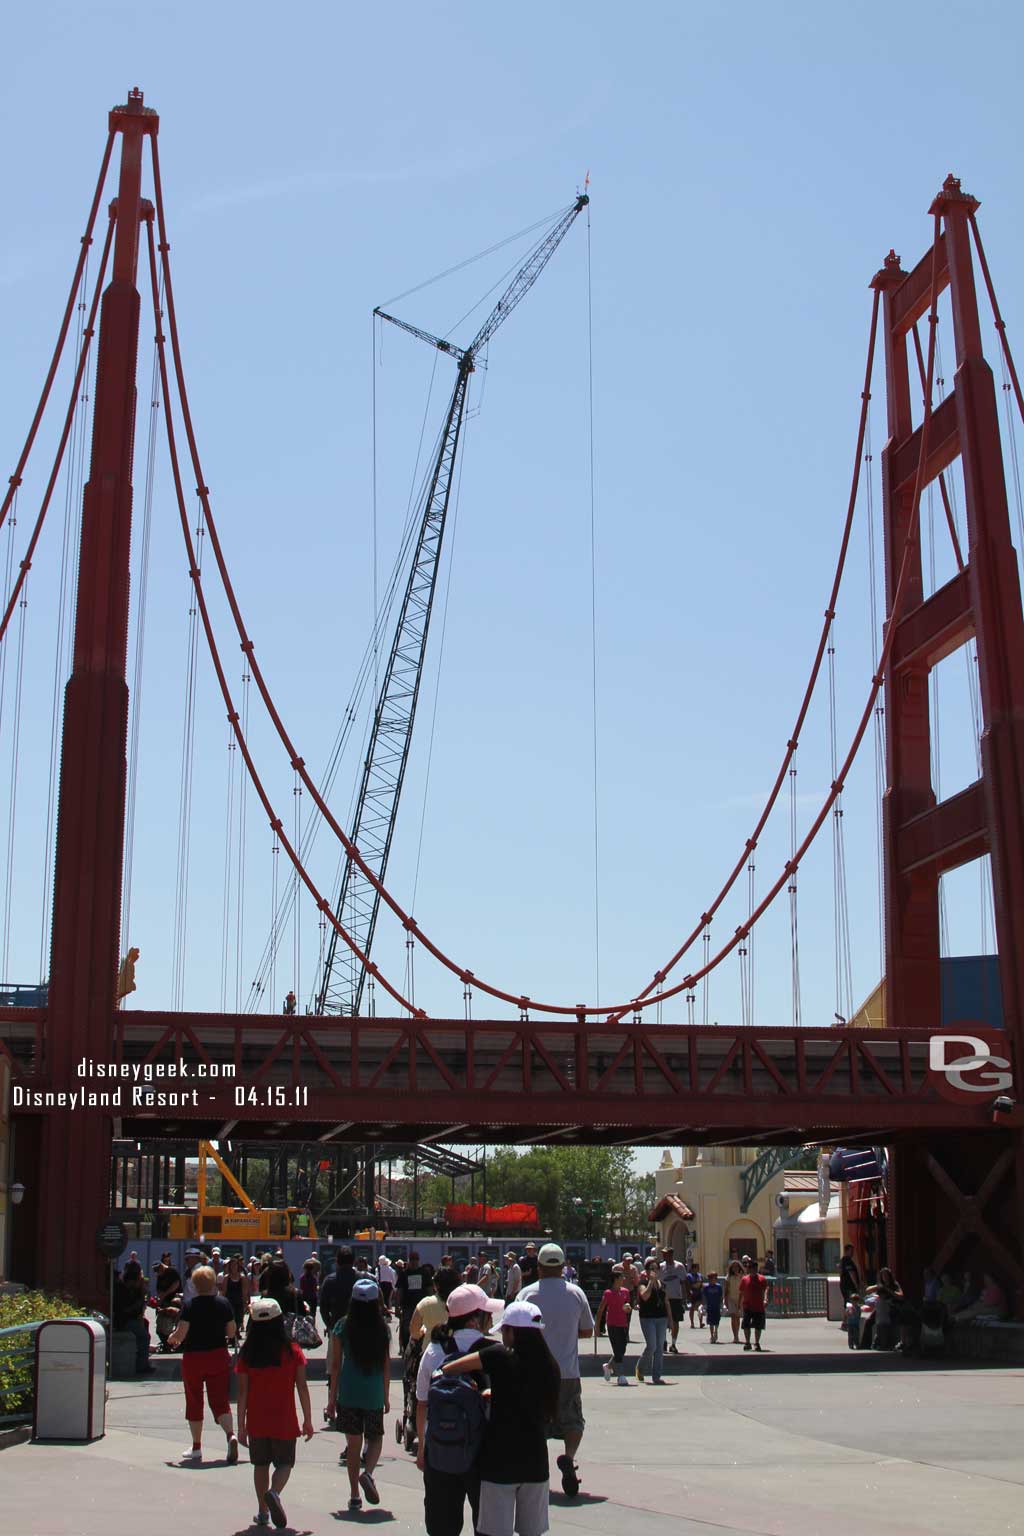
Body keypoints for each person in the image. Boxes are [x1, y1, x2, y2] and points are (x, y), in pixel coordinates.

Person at [442, 1297, 560, 1536]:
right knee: (532, 1533)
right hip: (535, 1462)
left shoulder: (498, 1355)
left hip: (499, 1461)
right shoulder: (550, 1366)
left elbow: (450, 1368)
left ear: (513, 1332)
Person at [415, 1282, 504, 1535]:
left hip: (441, 1448)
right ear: (475, 1320)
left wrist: (422, 1449)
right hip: (483, 1453)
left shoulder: (433, 1350)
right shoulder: (494, 1352)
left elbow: (422, 1403)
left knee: (442, 1526)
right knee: (486, 1526)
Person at [519, 1242, 594, 1499]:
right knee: (573, 1420)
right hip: (567, 1371)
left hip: (533, 1372)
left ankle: (537, 1471)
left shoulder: (527, 1295)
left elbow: (513, 1331)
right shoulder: (575, 1293)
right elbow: (587, 1330)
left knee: (535, 1422)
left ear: (538, 1267)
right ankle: (568, 1457)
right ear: (563, 1267)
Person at [236, 1295, 314, 1529]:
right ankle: (275, 1492)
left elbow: (242, 1394)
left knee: (260, 1465)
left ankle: (262, 1512)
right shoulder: (292, 1351)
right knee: (284, 1463)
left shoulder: (247, 1354)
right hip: (285, 1419)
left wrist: (241, 1426)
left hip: (257, 1420)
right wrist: (308, 1420)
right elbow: (302, 1386)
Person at [328, 1276, 391, 1512]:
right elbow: (386, 1365)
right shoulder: (382, 1328)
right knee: (375, 1437)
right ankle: (369, 1473)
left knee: (353, 1445)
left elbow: (335, 1365)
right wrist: (385, 1395)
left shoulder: (342, 1326)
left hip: (349, 1391)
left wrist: (331, 1399)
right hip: (373, 1390)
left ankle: (354, 1495)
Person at [167, 1264, 239, 1464]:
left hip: (194, 1358)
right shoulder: (224, 1304)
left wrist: (172, 1338)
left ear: (195, 1286)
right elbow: (231, 1332)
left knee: (194, 1400)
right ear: (214, 1283)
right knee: (220, 1401)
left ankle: (197, 1447)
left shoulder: (190, 1306)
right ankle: (230, 1435)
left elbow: (181, 1334)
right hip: (218, 1355)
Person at [113, 1260, 154, 1374]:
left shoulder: (132, 1289)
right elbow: (126, 1310)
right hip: (124, 1320)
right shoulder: (122, 1290)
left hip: (130, 1318)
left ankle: (142, 1361)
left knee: (145, 1326)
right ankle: (142, 1365)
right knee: (144, 1337)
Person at [595, 1264, 632, 1385]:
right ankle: (620, 1376)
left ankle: (608, 1365)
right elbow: (601, 1309)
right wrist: (597, 1327)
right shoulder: (608, 1293)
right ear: (616, 1279)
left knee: (622, 1349)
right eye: (621, 1278)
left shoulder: (626, 1292)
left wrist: (628, 1308)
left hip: (623, 1324)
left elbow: (627, 1306)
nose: (623, 1280)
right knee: (617, 1349)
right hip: (612, 1324)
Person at [635, 1258, 669, 1383]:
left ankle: (657, 1376)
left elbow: (666, 1302)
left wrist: (670, 1319)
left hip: (661, 1318)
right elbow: (645, 1296)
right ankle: (640, 1367)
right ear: (647, 1271)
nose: (655, 1271)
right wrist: (651, 1282)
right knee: (652, 1346)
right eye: (652, 1269)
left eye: (656, 1269)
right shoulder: (643, 1283)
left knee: (660, 1347)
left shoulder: (662, 1284)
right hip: (647, 1318)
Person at [397, 1250, 434, 1350]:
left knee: (423, 1327)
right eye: (412, 1259)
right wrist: (397, 1306)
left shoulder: (424, 1272)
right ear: (409, 1260)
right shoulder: (404, 1274)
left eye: (415, 1259)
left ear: (418, 1260)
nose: (414, 1261)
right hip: (407, 1306)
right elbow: (399, 1290)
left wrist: (431, 1302)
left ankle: (421, 1347)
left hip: (422, 1305)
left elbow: (430, 1288)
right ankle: (406, 1347)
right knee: (406, 1328)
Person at [739, 1255, 768, 1352]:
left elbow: (766, 1289)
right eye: (750, 1267)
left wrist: (765, 1299)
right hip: (747, 1305)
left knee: (758, 1326)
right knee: (746, 1325)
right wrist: (740, 1304)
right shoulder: (744, 1279)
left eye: (753, 1267)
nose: (752, 1269)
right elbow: (741, 1292)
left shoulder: (762, 1279)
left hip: (758, 1306)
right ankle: (747, 1342)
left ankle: (756, 1343)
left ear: (756, 1268)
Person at [659, 1247, 685, 1354]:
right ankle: (663, 1341)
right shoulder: (661, 1267)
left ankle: (673, 1343)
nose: (664, 1256)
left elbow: (683, 1282)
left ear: (671, 1254)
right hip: (664, 1297)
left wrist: (684, 1297)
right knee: (663, 1321)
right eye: (663, 1254)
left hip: (676, 1297)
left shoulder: (679, 1266)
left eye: (666, 1254)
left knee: (675, 1321)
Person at [220, 1254, 250, 1344]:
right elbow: (224, 1291)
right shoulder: (226, 1278)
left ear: (238, 1266)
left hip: (239, 1301)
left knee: (238, 1320)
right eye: (231, 1265)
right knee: (231, 1319)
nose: (233, 1267)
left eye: (235, 1265)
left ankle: (235, 1335)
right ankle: (232, 1337)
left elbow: (244, 1292)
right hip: (229, 1302)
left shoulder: (242, 1277)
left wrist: (245, 1303)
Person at [724, 1260, 744, 1344]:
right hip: (731, 1298)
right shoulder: (728, 1277)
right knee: (733, 1317)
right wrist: (725, 1300)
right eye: (733, 1267)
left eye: (737, 1267)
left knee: (738, 1317)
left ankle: (737, 1334)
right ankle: (735, 1336)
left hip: (740, 1298)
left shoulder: (742, 1277)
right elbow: (726, 1289)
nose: (735, 1268)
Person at [704, 1269, 724, 1344]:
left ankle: (716, 1331)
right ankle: (712, 1335)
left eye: (715, 1278)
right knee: (711, 1322)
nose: (714, 1280)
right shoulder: (706, 1288)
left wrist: (722, 1305)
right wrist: (704, 1306)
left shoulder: (719, 1287)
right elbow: (704, 1297)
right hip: (710, 1307)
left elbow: (721, 1296)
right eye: (712, 1278)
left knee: (717, 1320)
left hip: (717, 1306)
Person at [686, 1264, 705, 1328]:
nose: (698, 1269)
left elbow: (702, 1284)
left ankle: (701, 1323)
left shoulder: (700, 1275)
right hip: (692, 1294)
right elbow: (688, 1285)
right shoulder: (689, 1276)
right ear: (693, 1268)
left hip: (699, 1293)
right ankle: (692, 1323)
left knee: (700, 1308)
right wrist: (689, 1292)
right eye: (697, 1268)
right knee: (692, 1308)